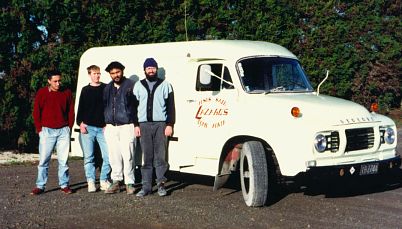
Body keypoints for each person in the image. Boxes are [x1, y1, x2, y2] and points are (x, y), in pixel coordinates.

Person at [133, 58, 175, 197]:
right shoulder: (138, 85)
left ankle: (161, 185)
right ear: (144, 70)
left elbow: (170, 107)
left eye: (153, 68)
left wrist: (169, 124)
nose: (151, 70)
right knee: (147, 157)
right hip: (143, 125)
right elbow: (133, 107)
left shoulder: (165, 85)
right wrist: (136, 125)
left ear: (156, 69)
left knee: (160, 157)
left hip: (160, 124)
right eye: (148, 68)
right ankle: (146, 187)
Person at [31, 70, 75, 195]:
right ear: (49, 81)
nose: (58, 84)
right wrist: (39, 129)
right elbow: (36, 112)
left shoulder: (66, 92)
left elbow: (71, 111)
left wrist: (69, 127)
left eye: (59, 81)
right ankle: (40, 185)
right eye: (55, 81)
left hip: (63, 130)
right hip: (47, 130)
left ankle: (64, 184)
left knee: (63, 160)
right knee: (44, 160)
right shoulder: (42, 93)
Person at [76, 65, 111, 193]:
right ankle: (91, 182)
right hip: (88, 128)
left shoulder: (106, 88)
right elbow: (81, 109)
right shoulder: (85, 90)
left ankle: (103, 180)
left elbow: (108, 107)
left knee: (108, 156)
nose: (97, 76)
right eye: (95, 73)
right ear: (90, 74)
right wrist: (80, 123)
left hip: (102, 128)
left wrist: (108, 124)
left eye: (99, 73)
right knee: (89, 157)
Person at [103, 61, 136, 194]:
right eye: (112, 73)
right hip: (111, 126)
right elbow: (104, 106)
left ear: (122, 71)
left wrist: (136, 124)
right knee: (114, 155)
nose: (115, 75)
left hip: (127, 125)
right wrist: (105, 123)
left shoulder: (131, 85)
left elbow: (136, 106)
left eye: (118, 72)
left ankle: (129, 183)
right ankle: (116, 181)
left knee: (128, 154)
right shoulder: (107, 88)